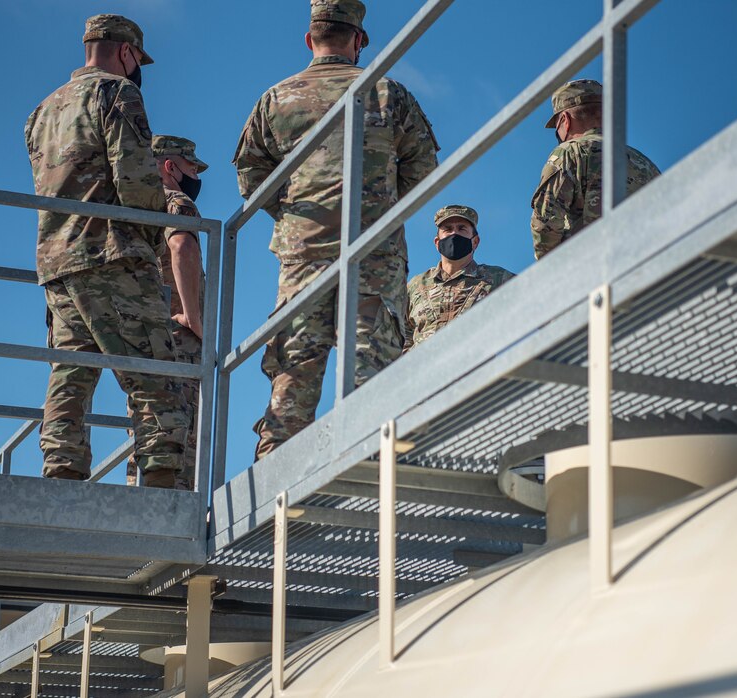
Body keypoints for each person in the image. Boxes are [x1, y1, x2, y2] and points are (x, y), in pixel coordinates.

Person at [234, 0, 440, 460]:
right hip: (375, 254)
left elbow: (252, 179)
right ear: (359, 40)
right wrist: (380, 213)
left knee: (294, 370)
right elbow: (424, 171)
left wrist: (295, 218)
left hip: (303, 254)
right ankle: (373, 471)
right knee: (372, 369)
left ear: (310, 39)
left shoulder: (277, 98)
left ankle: (276, 472)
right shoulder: (387, 93)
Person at [25, 14, 187, 488]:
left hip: (57, 261)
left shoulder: (41, 112)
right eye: (138, 59)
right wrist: (161, 229)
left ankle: (61, 473)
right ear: (125, 52)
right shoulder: (117, 93)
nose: (138, 68)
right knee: (153, 374)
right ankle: (160, 482)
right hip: (113, 254)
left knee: (70, 375)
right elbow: (136, 183)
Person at [125, 135, 208, 489]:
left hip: (141, 335)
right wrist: (194, 319)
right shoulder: (175, 201)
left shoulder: (130, 208)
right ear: (170, 167)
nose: (196, 175)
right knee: (181, 435)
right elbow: (182, 246)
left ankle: (140, 507)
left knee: (147, 426)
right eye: (191, 167)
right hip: (177, 336)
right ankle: (172, 511)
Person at [530, 79, 661, 260]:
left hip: (598, 269)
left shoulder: (569, 152)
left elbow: (545, 225)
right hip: (652, 265)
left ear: (565, 120)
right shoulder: (645, 163)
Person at [405, 205, 515, 350]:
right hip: (420, 369)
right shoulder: (416, 285)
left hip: (473, 368)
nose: (454, 234)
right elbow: (401, 334)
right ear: (437, 243)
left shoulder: (497, 278)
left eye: (461, 228)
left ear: (475, 242)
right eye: (448, 229)